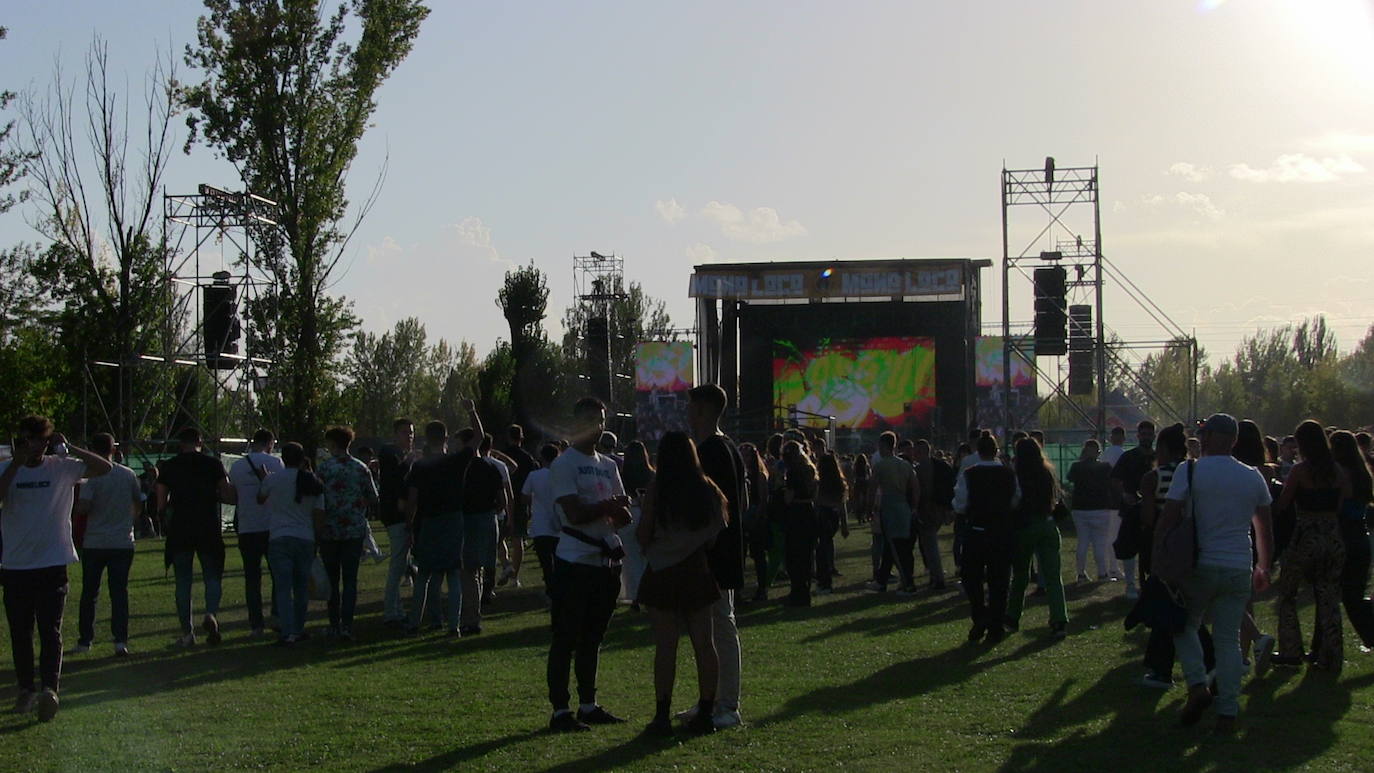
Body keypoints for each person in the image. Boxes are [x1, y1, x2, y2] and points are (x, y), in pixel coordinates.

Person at [1161, 413, 1274, 733]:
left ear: (1208, 437)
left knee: (1185, 626)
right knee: (1228, 640)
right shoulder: (1252, 476)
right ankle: (1228, 710)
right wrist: (1264, 566)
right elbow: (1264, 528)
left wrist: (1160, 557)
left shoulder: (1191, 470)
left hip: (1200, 564)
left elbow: (1169, 517)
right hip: (1239, 564)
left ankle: (1197, 685)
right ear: (1235, 440)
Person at [1, 417, 111, 721]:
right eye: (27, 440)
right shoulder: (6, 468)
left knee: (51, 630)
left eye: (39, 441)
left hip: (52, 562)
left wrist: (71, 446)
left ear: (47, 442)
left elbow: (105, 468)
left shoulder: (61, 467)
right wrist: (14, 465)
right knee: (21, 633)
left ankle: (50, 689)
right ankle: (26, 690)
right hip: (15, 564)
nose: (33, 447)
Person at [545, 396, 632, 733]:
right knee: (565, 637)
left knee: (593, 637)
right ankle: (560, 710)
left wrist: (611, 507)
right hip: (574, 560)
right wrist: (608, 504)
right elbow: (576, 514)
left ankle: (588, 704)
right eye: (590, 420)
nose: (597, 427)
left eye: (600, 420)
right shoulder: (564, 464)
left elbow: (623, 516)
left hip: (604, 561)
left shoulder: (608, 465)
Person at [637, 431, 728, 737]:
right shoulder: (707, 489)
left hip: (662, 571)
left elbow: (643, 535)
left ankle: (661, 714)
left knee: (666, 647)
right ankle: (706, 711)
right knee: (704, 644)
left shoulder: (658, 490)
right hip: (696, 570)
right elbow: (716, 532)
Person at [683, 383, 748, 729]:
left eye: (691, 406)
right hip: (720, 549)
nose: (687, 412)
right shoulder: (728, 448)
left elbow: (712, 508)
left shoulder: (712, 451)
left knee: (721, 627)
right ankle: (710, 700)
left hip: (714, 552)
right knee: (710, 629)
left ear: (704, 410)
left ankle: (727, 705)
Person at [1135, 424, 1216, 688]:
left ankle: (1165, 668)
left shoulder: (1153, 477)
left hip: (1165, 546)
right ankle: (1203, 662)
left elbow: (1149, 518)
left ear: (1163, 449)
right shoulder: (1198, 472)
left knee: (1168, 605)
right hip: (1196, 544)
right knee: (1185, 605)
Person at [1271, 419, 1350, 673]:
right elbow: (1343, 502)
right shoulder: (1338, 471)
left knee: (1287, 593)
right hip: (1332, 534)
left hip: (1306, 534)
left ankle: (1291, 650)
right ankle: (1331, 654)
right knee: (1328, 597)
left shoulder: (1299, 471)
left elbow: (1283, 503)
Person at [156, 427, 235, 647]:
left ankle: (187, 632)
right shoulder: (213, 464)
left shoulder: (169, 466)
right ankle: (210, 612)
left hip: (180, 529)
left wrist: (164, 516)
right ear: (200, 441)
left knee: (183, 581)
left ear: (180, 443)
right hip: (207, 526)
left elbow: (161, 502)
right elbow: (227, 492)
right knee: (211, 575)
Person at [406, 408, 481, 636]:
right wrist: (472, 411)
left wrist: (410, 527)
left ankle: (414, 623)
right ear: (446, 438)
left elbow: (412, 500)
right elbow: (478, 436)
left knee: (425, 575)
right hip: (453, 520)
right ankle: (454, 625)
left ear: (426, 438)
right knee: (453, 573)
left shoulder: (419, 466)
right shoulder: (456, 461)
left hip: (428, 521)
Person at [72, 433, 141, 656]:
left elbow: (83, 508)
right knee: (119, 592)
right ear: (114, 449)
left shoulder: (92, 477)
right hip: (122, 540)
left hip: (95, 540)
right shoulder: (128, 474)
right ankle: (120, 640)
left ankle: (85, 640)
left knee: (90, 593)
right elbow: (137, 503)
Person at [954, 432, 1019, 644]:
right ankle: (995, 624)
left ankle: (979, 613)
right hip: (1001, 532)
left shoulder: (969, 473)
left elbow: (960, 503)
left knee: (971, 577)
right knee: (999, 582)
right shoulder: (1009, 474)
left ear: (978, 451)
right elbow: (1015, 499)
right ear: (996, 451)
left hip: (976, 531)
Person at [258, 442, 324, 646]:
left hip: (279, 536)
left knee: (283, 587)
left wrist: (264, 479)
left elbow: (260, 498)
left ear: (283, 458)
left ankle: (287, 631)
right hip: (305, 537)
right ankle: (298, 628)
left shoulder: (273, 479)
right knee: (301, 587)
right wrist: (318, 540)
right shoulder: (313, 481)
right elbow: (319, 514)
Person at [317, 426, 379, 641]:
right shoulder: (361, 468)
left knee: (332, 580)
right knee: (350, 580)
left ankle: (334, 624)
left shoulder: (325, 469)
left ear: (333, 444)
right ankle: (347, 625)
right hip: (353, 530)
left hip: (330, 530)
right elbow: (373, 497)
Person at [1005, 438, 1068, 638]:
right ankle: (1059, 619)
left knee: (1021, 574)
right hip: (1048, 524)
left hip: (1025, 526)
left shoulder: (1017, 475)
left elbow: (1014, 501)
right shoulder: (1047, 473)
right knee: (1052, 576)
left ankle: (1013, 617)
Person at [227, 429, 285, 637]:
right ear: (270, 443)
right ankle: (278, 615)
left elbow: (233, 494)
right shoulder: (276, 464)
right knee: (278, 574)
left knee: (252, 578)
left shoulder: (237, 466)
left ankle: (256, 624)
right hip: (271, 525)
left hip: (247, 526)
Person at [1328, 430, 1374, 650]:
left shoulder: (1340, 473)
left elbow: (1337, 507)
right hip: (1361, 538)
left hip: (1344, 537)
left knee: (1349, 598)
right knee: (1355, 594)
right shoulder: (1362, 473)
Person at [459, 432, 506, 635]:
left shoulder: (463, 468)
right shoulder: (492, 467)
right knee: (480, 569)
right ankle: (476, 612)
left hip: (469, 519)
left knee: (468, 571)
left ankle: (470, 618)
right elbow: (502, 501)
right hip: (489, 518)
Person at [376, 418, 418, 627]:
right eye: (404, 433)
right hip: (395, 515)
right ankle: (391, 611)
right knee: (397, 565)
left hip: (401, 514)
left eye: (411, 433)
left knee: (402, 564)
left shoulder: (400, 455)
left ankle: (396, 608)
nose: (409, 437)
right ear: (395, 434)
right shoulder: (389, 453)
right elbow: (397, 481)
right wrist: (410, 461)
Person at [867, 432, 919, 595]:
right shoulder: (905, 465)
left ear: (884, 446)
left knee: (897, 548)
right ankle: (881, 581)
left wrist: (869, 509)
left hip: (889, 508)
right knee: (893, 546)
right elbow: (915, 487)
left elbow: (872, 488)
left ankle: (908, 584)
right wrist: (914, 507)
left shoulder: (881, 465)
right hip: (904, 507)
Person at [1110, 421, 1155, 597]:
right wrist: (1123, 495)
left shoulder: (1158, 456)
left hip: (1153, 509)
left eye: (1149, 434)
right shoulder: (1129, 456)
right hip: (1131, 508)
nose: (1146, 437)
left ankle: (1151, 585)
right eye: (1143, 434)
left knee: (1151, 549)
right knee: (1129, 547)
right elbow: (1114, 479)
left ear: (1153, 435)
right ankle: (1130, 584)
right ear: (1137, 436)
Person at [1067, 439, 1115, 582]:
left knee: (1082, 542)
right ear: (1098, 452)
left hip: (1079, 508)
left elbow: (1070, 479)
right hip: (1100, 508)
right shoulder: (1105, 467)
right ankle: (1102, 573)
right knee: (1100, 543)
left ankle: (1081, 574)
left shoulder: (1076, 467)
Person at [500, 425, 540, 588]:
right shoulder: (528, 458)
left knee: (499, 538)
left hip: (503, 500)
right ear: (521, 438)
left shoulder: (503, 456)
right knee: (518, 539)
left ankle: (506, 564)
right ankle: (514, 577)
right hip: (522, 500)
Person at [780, 441, 819, 607]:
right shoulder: (810, 470)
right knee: (807, 554)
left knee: (794, 555)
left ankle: (796, 593)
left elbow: (788, 498)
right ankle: (806, 591)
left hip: (796, 513)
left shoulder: (792, 472)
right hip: (809, 511)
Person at [619, 441, 655, 611]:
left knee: (631, 560)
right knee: (647, 557)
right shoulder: (652, 475)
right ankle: (649, 593)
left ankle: (635, 596)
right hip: (647, 514)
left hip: (629, 514)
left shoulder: (622, 476)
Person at [523, 443, 562, 594]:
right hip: (559, 524)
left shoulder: (534, 476)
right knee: (559, 558)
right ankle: (558, 585)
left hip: (540, 525)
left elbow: (524, 497)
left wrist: (535, 500)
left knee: (546, 562)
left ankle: (550, 586)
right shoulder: (561, 475)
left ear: (542, 457)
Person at [912, 440, 950, 591]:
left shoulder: (921, 469)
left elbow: (921, 491)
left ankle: (938, 578)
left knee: (930, 546)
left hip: (927, 510)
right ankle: (935, 577)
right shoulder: (940, 465)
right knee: (929, 545)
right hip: (939, 509)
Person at [739, 443, 771, 601]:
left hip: (756, 518)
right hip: (742, 518)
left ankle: (762, 588)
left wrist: (757, 516)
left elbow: (763, 499)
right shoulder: (740, 475)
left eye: (748, 456)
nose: (745, 458)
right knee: (741, 555)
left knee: (758, 555)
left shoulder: (759, 475)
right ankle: (738, 590)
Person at [814, 452, 850, 595]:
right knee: (827, 545)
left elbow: (816, 500)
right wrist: (844, 524)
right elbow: (842, 505)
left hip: (822, 514)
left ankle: (824, 582)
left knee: (820, 550)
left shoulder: (819, 482)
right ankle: (828, 574)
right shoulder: (839, 483)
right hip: (833, 515)